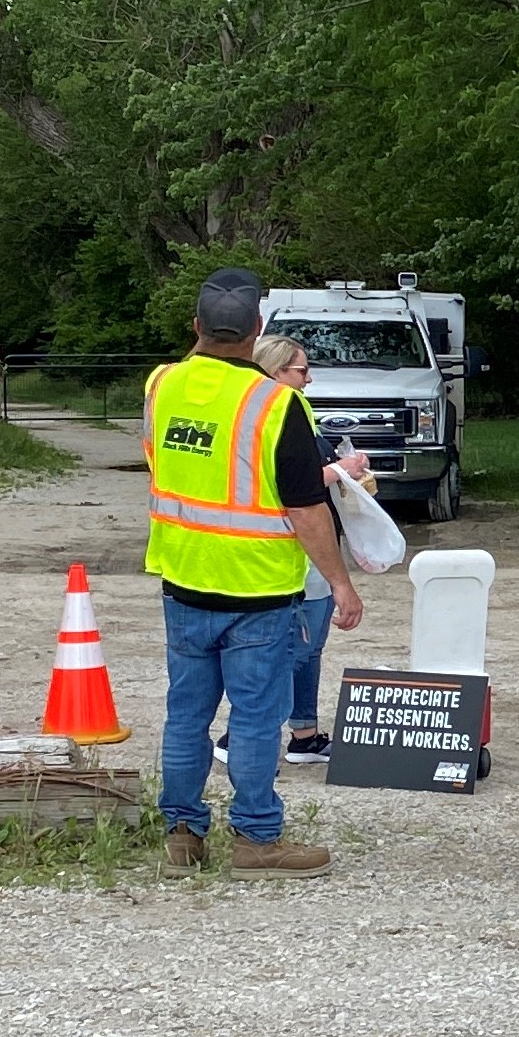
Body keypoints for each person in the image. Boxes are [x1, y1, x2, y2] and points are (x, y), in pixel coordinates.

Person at [145, 268, 364, 880]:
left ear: (195, 327)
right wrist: (340, 583)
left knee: (186, 714)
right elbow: (305, 507)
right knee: (255, 717)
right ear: (258, 331)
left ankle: (182, 836)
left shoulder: (161, 386)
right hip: (258, 588)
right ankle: (256, 840)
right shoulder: (276, 403)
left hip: (183, 577)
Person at [243, 332, 371, 766]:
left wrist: (344, 473)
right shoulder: (271, 415)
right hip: (291, 551)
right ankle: (238, 734)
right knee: (291, 649)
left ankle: (304, 733)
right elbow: (293, 486)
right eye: (302, 370)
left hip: (310, 550)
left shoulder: (297, 411)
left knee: (309, 647)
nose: (310, 379)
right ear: (276, 371)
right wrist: (340, 470)